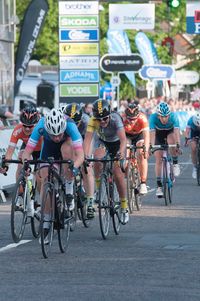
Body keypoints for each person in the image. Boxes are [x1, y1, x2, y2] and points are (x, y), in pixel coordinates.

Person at [22, 108, 84, 212]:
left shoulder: (71, 126)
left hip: (67, 146)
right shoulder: (41, 126)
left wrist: (74, 168)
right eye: (53, 135)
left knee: (67, 150)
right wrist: (26, 165)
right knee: (45, 179)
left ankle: (69, 188)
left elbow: (81, 155)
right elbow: (27, 152)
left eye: (59, 134)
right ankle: (46, 217)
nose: (56, 138)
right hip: (49, 149)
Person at [83, 99, 129, 224]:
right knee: (97, 158)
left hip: (117, 144)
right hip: (103, 142)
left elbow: (124, 140)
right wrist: (85, 156)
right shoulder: (92, 120)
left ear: (109, 115)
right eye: (99, 119)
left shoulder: (115, 119)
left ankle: (124, 207)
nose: (102, 121)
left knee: (118, 174)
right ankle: (99, 189)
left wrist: (120, 152)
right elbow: (87, 141)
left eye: (105, 119)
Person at [0, 105, 41, 179]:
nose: (27, 129)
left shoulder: (41, 130)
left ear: (36, 124)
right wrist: (5, 165)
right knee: (20, 165)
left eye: (30, 126)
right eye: (25, 125)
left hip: (42, 150)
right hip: (27, 148)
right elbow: (10, 151)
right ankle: (20, 189)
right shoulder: (18, 130)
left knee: (39, 175)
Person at [149, 102, 181, 197]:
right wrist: (151, 145)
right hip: (158, 135)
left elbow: (176, 131)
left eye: (166, 116)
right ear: (158, 115)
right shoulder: (153, 117)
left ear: (169, 115)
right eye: (162, 116)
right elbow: (152, 133)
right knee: (158, 159)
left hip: (170, 133)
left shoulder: (173, 117)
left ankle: (175, 163)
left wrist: (178, 144)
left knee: (172, 141)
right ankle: (159, 186)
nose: (164, 119)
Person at [122, 102, 150, 195]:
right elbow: (120, 137)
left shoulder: (143, 118)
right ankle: (129, 179)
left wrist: (146, 150)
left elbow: (146, 136)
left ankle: (143, 183)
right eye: (130, 119)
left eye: (134, 119)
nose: (132, 121)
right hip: (127, 136)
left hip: (139, 135)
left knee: (141, 153)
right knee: (125, 156)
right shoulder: (122, 119)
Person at [185, 111, 200, 179]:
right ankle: (195, 167)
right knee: (193, 148)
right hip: (194, 133)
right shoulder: (191, 121)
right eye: (197, 125)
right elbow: (187, 132)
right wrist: (187, 139)